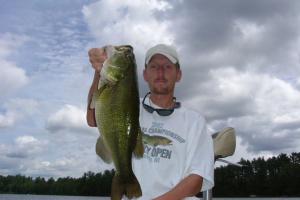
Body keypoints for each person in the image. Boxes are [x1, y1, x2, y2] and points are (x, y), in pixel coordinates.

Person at [86, 44, 214, 200]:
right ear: (145, 74)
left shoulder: (195, 121)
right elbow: (92, 119)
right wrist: (99, 72)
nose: (160, 72)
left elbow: (196, 180)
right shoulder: (130, 105)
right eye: (154, 66)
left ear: (178, 74)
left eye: (167, 66)